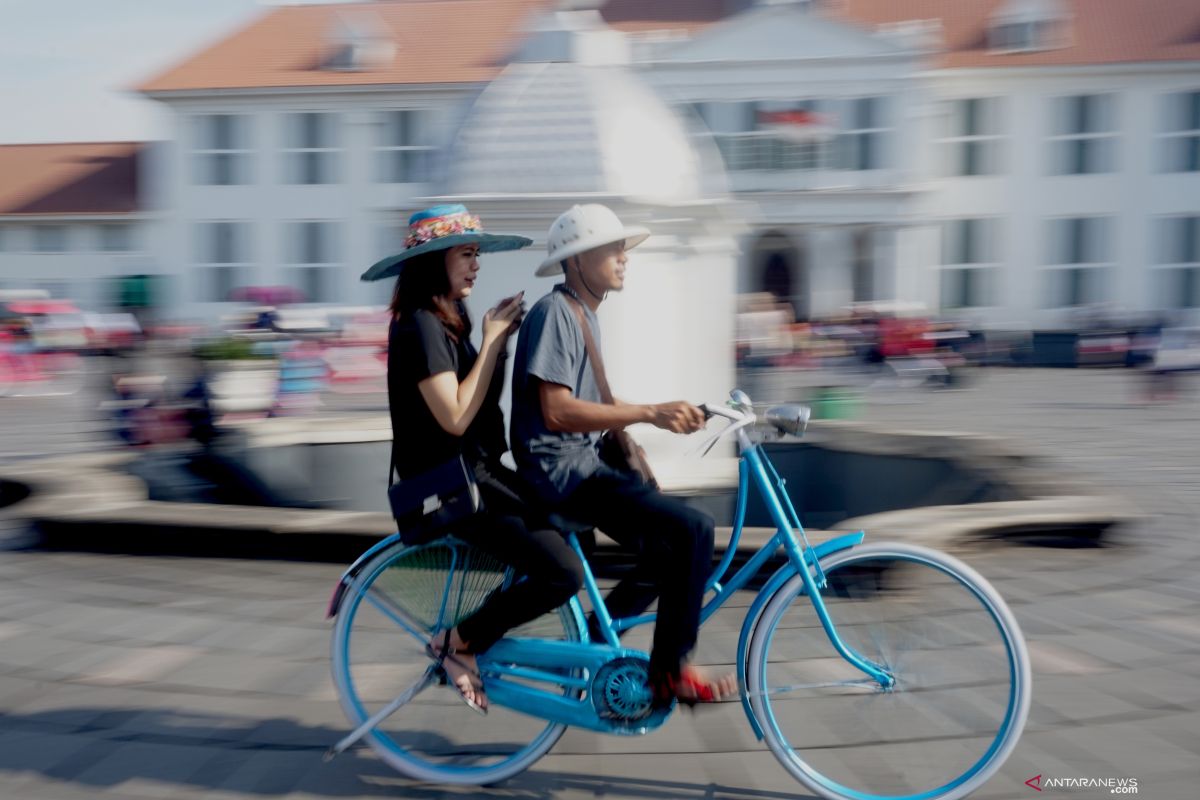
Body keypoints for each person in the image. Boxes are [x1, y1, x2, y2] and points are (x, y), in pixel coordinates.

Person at [510, 204, 737, 707]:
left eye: (622, 249)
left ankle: (591, 643)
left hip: (580, 467)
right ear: (576, 261)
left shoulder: (582, 314)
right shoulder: (554, 314)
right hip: (562, 473)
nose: (623, 257)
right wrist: (649, 412)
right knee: (694, 528)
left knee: (666, 552)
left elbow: (594, 402)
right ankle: (670, 672)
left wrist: (667, 411)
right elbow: (557, 411)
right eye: (611, 248)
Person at [361, 204, 584, 715]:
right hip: (456, 484)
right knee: (563, 574)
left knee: (576, 520)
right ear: (435, 260)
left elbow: (481, 404)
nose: (476, 265)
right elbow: (457, 416)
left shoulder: (451, 319)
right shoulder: (419, 326)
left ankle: (562, 647)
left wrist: (494, 344)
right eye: (466, 254)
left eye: (476, 254)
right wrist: (493, 343)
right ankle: (458, 641)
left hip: (478, 473)